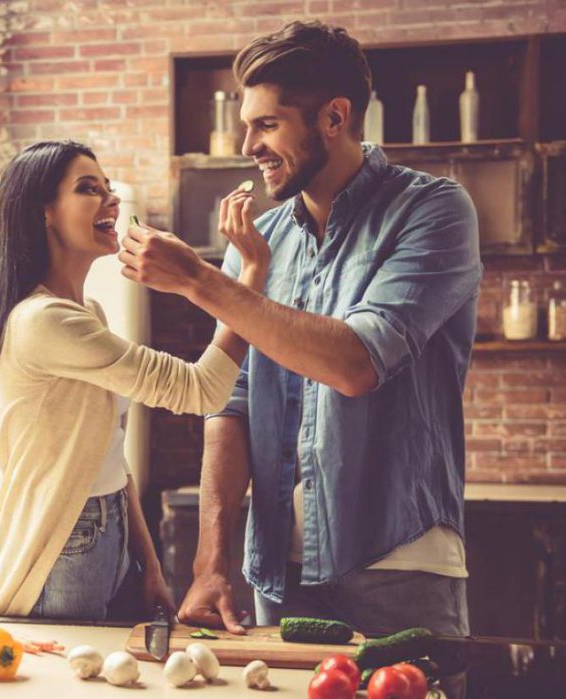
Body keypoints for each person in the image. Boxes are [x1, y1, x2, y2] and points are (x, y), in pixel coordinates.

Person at [118, 21, 481, 637]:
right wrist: (212, 562)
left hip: (399, 559)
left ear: (334, 118)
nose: (248, 144)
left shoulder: (433, 211)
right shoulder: (257, 246)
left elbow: (356, 363)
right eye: (246, 125)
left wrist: (200, 280)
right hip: (279, 572)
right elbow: (229, 407)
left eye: (266, 124)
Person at [0, 140, 268, 620]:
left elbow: (108, 454)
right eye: (89, 189)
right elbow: (202, 389)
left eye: (109, 188)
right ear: (43, 211)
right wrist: (248, 276)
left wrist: (146, 563)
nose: (111, 200)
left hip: (105, 528)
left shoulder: (86, 314)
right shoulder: (45, 321)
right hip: (64, 539)